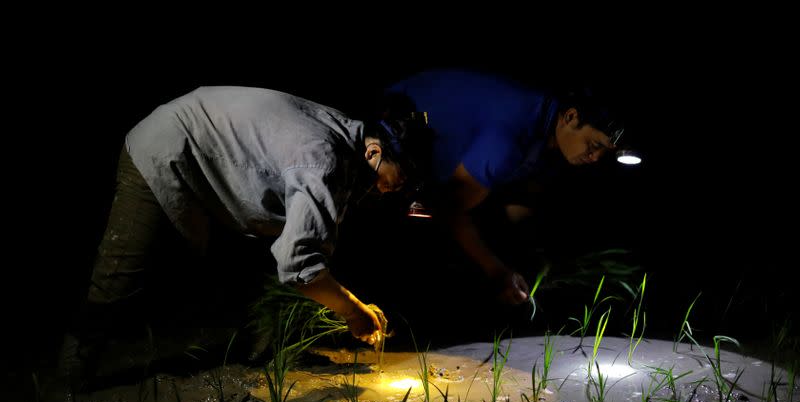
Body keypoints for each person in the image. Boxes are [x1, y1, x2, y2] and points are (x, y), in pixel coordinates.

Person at [60, 85, 432, 385]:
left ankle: (262, 350)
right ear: (375, 151)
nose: (398, 191)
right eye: (402, 179)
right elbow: (301, 266)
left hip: (215, 160)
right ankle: (71, 376)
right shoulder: (325, 159)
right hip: (167, 147)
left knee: (269, 252)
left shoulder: (347, 135)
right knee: (121, 271)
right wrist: (355, 312)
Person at [384, 69, 624, 306]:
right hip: (388, 130)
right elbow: (449, 209)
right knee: (434, 233)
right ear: (571, 117)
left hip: (441, 159)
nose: (595, 157)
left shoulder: (550, 136)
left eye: (604, 152)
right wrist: (497, 271)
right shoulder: (509, 138)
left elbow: (521, 202)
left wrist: (538, 261)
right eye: (594, 145)